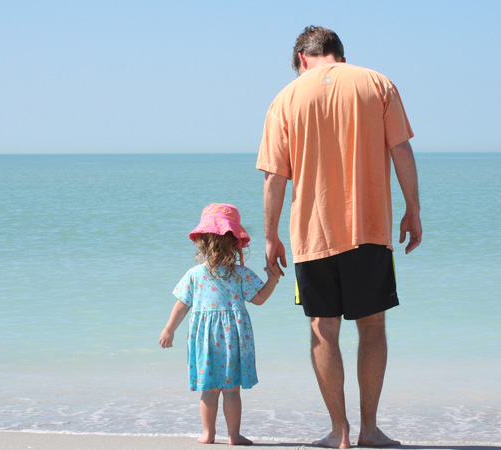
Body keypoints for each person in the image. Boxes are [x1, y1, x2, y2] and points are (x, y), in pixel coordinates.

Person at [257, 26, 422, 448]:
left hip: (312, 235)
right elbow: (400, 149)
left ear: (301, 59)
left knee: (322, 327)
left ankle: (339, 433)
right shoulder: (376, 83)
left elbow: (275, 175)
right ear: (339, 55)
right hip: (368, 230)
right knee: (372, 325)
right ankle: (369, 431)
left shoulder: (285, 98)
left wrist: (270, 236)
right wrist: (413, 210)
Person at [159, 203, 280, 446]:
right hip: (234, 337)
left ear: (202, 241)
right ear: (236, 243)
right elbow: (259, 299)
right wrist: (273, 279)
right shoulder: (240, 273)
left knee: (209, 390)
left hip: (204, 339)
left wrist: (168, 329)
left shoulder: (194, 274)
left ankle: (208, 434)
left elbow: (181, 305)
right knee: (232, 391)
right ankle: (233, 436)